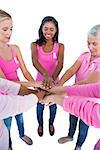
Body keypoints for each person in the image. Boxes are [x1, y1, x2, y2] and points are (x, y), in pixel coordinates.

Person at [55, 24, 100, 150]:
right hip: (74, 95)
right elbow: (71, 70)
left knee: (84, 125)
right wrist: (59, 84)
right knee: (72, 117)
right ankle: (70, 136)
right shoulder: (84, 55)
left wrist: (62, 92)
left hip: (89, 102)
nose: (90, 47)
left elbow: (86, 82)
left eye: (94, 44)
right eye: (88, 43)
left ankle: (78, 146)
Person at [0, 9, 38, 149]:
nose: (9, 33)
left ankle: (22, 134)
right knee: (7, 124)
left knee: (20, 117)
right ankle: (8, 144)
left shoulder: (15, 48)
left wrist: (36, 87)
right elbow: (5, 83)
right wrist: (35, 84)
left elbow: (25, 71)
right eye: (4, 29)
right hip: (4, 99)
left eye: (11, 29)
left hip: (19, 91)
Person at [31, 16, 64, 136]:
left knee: (53, 106)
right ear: (41, 29)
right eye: (46, 28)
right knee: (39, 106)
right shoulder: (34, 45)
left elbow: (60, 64)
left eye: (51, 29)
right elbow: (35, 61)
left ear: (56, 31)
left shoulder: (60, 46)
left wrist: (52, 80)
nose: (48, 32)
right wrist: (45, 76)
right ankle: (40, 124)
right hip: (40, 82)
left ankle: (51, 123)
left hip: (54, 81)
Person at [0, 77, 45, 150]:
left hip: (3, 136)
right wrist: (37, 97)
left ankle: (20, 136)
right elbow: (16, 105)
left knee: (19, 120)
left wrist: (34, 92)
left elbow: (6, 85)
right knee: (8, 125)